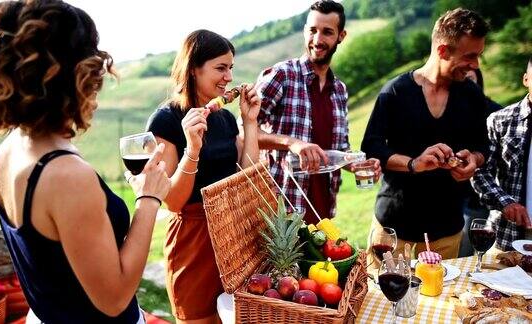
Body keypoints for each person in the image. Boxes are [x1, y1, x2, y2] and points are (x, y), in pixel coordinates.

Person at [0, 1, 171, 323]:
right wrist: (149, 199)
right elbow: (113, 299)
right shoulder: (66, 174)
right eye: (92, 58)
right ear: (72, 74)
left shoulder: (9, 150)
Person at [146, 30, 260, 324]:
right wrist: (192, 149)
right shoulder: (167, 119)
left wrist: (249, 122)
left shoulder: (222, 117)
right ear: (194, 69)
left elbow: (246, 176)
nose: (229, 77)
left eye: (231, 68)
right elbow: (172, 201)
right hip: (193, 242)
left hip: (231, 236)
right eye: (221, 68)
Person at [361, 8, 490, 265]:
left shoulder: (472, 95)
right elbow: (372, 147)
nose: (475, 65)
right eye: (470, 56)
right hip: (394, 233)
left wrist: (474, 159)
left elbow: (483, 145)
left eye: (479, 56)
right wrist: (413, 163)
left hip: (447, 233)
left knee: (438, 303)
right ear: (443, 51)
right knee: (386, 302)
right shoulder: (395, 92)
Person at [255, 0, 380, 225]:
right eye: (312, 30)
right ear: (305, 31)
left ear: (341, 36)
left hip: (323, 217)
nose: (318, 40)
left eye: (327, 32)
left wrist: (358, 163)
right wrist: (292, 143)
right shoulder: (282, 75)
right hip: (279, 215)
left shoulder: (339, 90)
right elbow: (242, 131)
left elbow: (338, 150)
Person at [472, 57, 532, 251]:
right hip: (506, 237)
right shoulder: (500, 120)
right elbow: (479, 171)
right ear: (526, 79)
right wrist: (506, 203)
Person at [458, 68, 503, 257]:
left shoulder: (495, 112)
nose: (465, 84)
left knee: (468, 249)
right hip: (452, 195)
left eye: (469, 79)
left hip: (478, 198)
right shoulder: (451, 111)